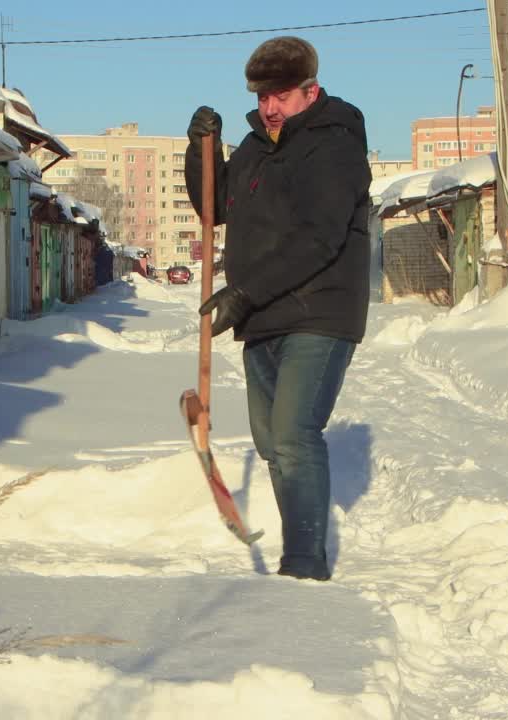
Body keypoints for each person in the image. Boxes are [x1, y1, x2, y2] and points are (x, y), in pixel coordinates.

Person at [185, 36, 372, 581]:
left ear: (310, 91)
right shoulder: (254, 147)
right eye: (263, 96)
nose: (270, 107)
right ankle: (300, 551)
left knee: (293, 434)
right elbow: (213, 209)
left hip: (318, 311)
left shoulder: (333, 146)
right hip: (263, 314)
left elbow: (319, 238)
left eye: (282, 95)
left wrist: (243, 292)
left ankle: (303, 566)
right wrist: (201, 151)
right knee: (271, 443)